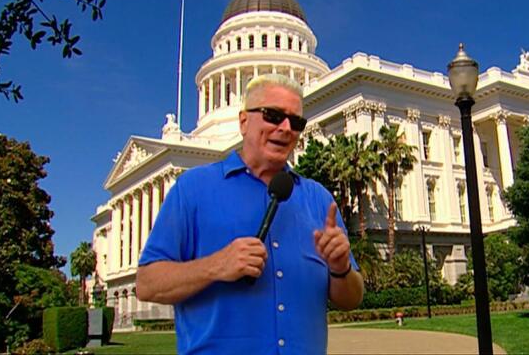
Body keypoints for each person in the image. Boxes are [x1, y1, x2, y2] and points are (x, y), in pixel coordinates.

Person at [136, 74, 364, 354]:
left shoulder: (318, 199)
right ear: (244, 121)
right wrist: (217, 265)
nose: (285, 128)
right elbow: (146, 285)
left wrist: (340, 269)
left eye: (296, 122)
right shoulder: (193, 189)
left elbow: (351, 299)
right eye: (273, 115)